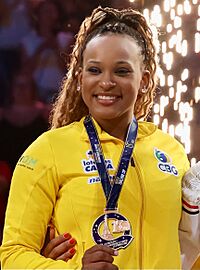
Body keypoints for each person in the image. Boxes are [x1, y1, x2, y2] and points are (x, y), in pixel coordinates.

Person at [0, 6, 194, 269]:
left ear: (145, 79)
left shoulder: (172, 152)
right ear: (79, 77)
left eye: (122, 71)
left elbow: (190, 249)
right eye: (95, 70)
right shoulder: (48, 151)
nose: (106, 82)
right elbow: (13, 256)